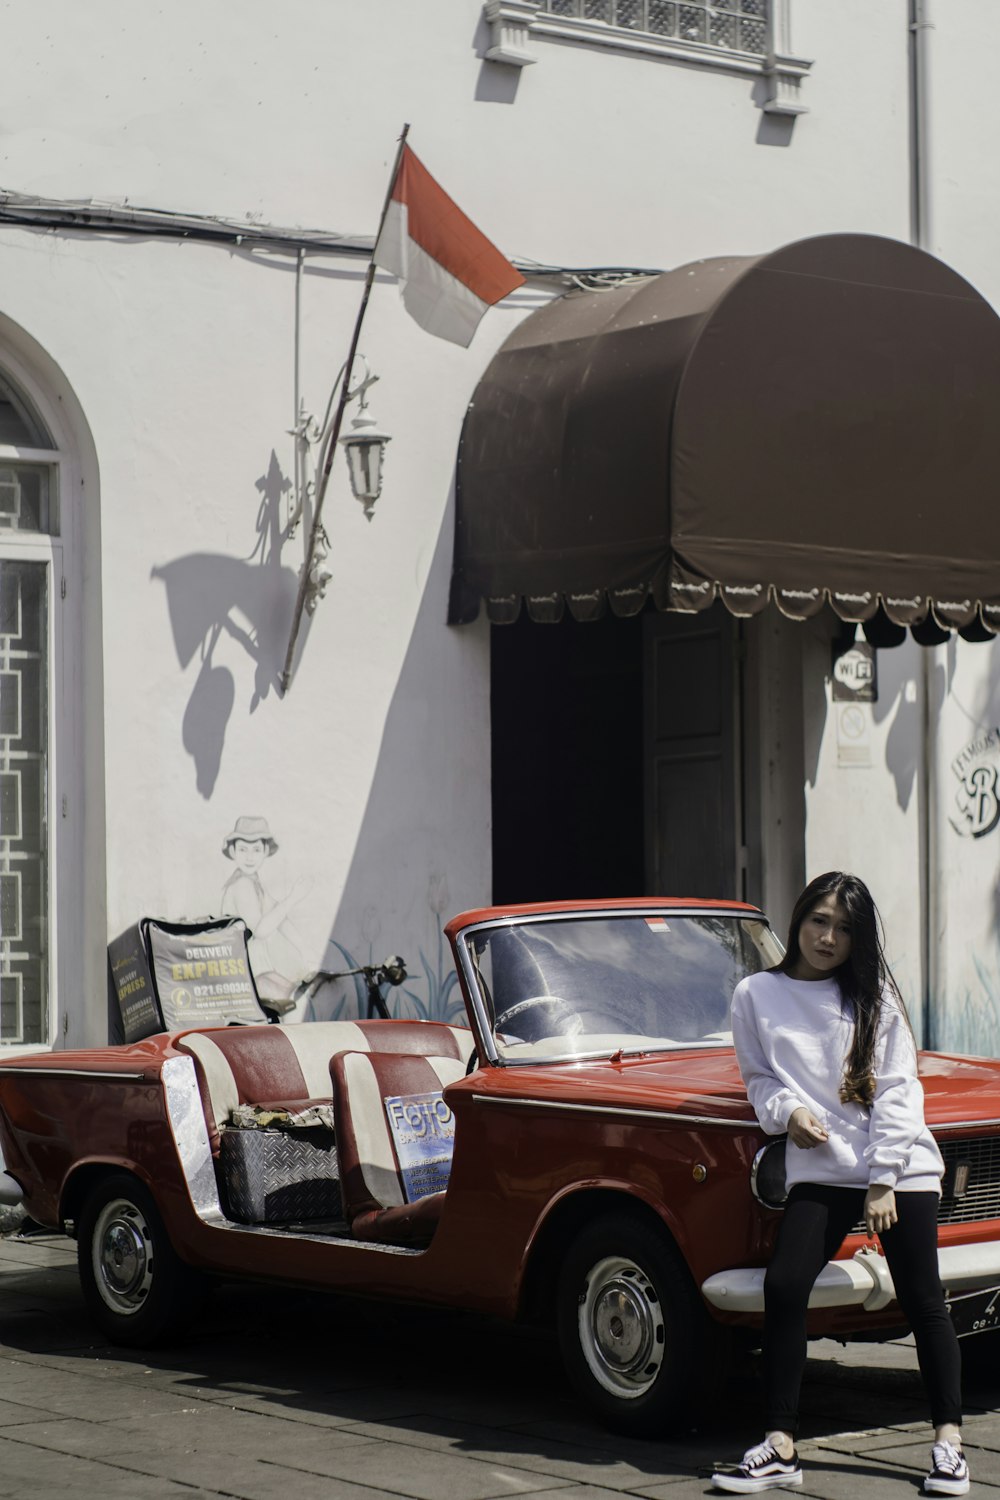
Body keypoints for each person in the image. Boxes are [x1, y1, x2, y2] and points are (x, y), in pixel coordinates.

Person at [711, 872, 968, 1496]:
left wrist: (883, 1181)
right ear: (798, 919)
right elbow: (759, 1080)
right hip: (824, 1164)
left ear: (860, 939)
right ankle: (780, 1444)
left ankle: (949, 1445)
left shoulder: (874, 995)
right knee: (786, 1284)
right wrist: (786, 1114)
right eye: (820, 921)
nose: (829, 938)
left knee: (923, 1297)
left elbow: (902, 1093)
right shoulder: (756, 994)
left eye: (845, 928)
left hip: (898, 1167)